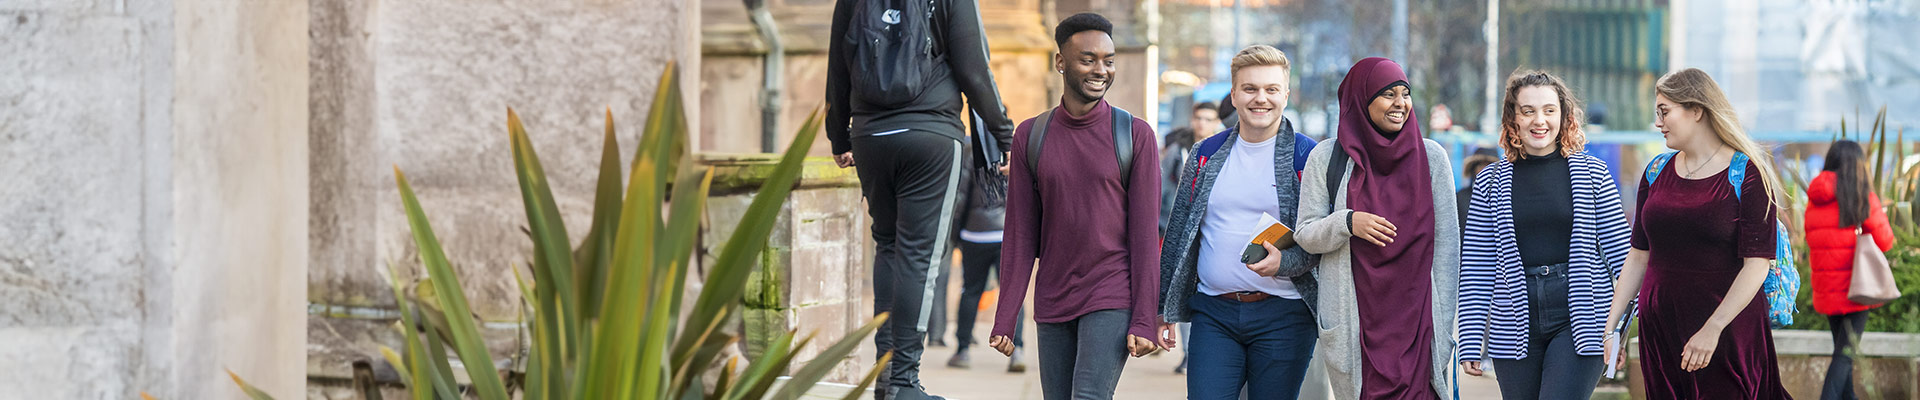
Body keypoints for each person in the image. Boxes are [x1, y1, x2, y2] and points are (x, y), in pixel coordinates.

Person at [826, 0, 1016, 396]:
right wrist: (1004, 134)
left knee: (888, 247)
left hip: (870, 137)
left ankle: (885, 377)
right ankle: (904, 380)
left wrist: (839, 136)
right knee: (919, 255)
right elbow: (974, 69)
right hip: (930, 135)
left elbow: (838, 67)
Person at [991, 13, 1161, 400]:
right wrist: (1006, 315)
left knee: (1088, 395)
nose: (1101, 70)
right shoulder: (1030, 135)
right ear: (1061, 62)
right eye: (1088, 59)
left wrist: (1144, 318)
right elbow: (1020, 234)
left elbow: (1144, 237)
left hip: (1111, 292)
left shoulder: (1135, 135)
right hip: (1053, 296)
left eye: (1108, 60)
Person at [1602, 68, 1793, 399]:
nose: (1658, 123)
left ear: (1696, 110)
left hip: (1727, 335)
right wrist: (1612, 328)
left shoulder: (1748, 173)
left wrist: (1712, 329)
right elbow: (1639, 256)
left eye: (1664, 112)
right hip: (1660, 336)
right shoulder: (1656, 171)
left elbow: (1757, 265)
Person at [1157, 45, 1322, 400]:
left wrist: (1285, 262)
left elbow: (1321, 239)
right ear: (1233, 95)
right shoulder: (1205, 154)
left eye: (1271, 89)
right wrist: (1162, 307)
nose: (1260, 98)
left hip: (1285, 316)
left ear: (1286, 95)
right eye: (1250, 89)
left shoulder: (1308, 157)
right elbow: (1180, 231)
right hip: (1214, 313)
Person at [1454, 70, 1631, 400]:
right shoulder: (1490, 182)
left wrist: (1618, 329)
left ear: (1563, 116)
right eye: (1528, 111)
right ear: (1513, 118)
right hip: (1512, 321)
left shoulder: (1594, 174)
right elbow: (1477, 266)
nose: (1539, 120)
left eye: (1549, 110)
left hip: (1582, 316)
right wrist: (1470, 338)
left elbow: (1624, 258)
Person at [1296, 57, 1460, 400]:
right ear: (1361, 98)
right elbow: (1306, 234)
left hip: (1419, 327)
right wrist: (1347, 222)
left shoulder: (1432, 158)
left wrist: (1443, 328)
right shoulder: (1327, 158)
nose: (1401, 103)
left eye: (1405, 93)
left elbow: (1447, 248)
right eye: (1388, 94)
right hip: (1358, 329)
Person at [1805, 140, 1897, 400]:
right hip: (1856, 288)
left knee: (1842, 352)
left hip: (1826, 289)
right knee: (1844, 356)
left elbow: (1812, 239)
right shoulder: (1861, 196)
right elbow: (1886, 241)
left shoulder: (1815, 199)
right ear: (1858, 166)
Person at [946, 138, 1029, 373]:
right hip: (1006, 235)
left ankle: (962, 350)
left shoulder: (972, 153)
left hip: (975, 235)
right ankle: (1017, 350)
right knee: (1012, 293)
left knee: (970, 291)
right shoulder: (1016, 155)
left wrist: (955, 235)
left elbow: (961, 197)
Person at [1160, 101, 1223, 375]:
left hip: (1212, 232)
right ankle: (1188, 353)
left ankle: (1208, 349)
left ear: (1217, 122)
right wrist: (1164, 224)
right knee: (1183, 290)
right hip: (1179, 229)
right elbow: (1162, 187)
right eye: (1199, 118)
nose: (1202, 123)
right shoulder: (1179, 149)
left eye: (1209, 119)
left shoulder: (1225, 148)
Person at [1456, 153, 1497, 231]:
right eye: (1481, 165)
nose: (1485, 169)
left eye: (1489, 165)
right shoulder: (1460, 197)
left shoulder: (1503, 197)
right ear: (1473, 169)